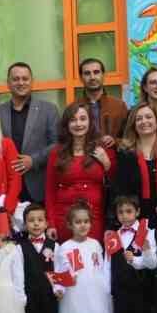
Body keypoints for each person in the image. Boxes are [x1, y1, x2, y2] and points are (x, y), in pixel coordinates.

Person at [53, 202, 115, 313]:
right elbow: (59, 272)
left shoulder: (96, 244)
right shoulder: (64, 247)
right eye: (78, 222)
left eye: (86, 221)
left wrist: (106, 288)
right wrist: (59, 288)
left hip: (95, 290)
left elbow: (102, 267)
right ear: (70, 225)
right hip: (75, 292)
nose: (83, 225)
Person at [45, 102, 112, 241]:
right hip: (64, 219)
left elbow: (114, 187)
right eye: (73, 120)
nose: (78, 124)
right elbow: (50, 190)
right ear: (67, 124)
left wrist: (106, 164)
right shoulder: (56, 152)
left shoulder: (102, 149)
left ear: (90, 122)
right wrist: (51, 223)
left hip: (94, 218)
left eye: (82, 119)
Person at [0, 62, 61, 203]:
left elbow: (58, 143)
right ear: (8, 83)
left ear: (32, 82)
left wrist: (33, 160)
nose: (21, 83)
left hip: (39, 185)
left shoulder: (49, 110)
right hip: (7, 188)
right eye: (16, 79)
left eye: (25, 79)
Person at [16, 202, 63, 313]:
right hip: (30, 296)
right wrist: (21, 296)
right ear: (25, 224)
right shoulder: (20, 247)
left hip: (49, 296)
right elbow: (18, 273)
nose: (36, 224)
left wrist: (59, 288)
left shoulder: (54, 246)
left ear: (46, 223)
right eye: (31, 221)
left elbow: (59, 269)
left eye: (39, 220)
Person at [108, 193, 154, 313]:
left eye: (129, 211)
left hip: (142, 287)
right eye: (121, 212)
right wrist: (108, 289)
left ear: (137, 212)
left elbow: (152, 262)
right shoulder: (113, 236)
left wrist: (136, 259)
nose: (125, 216)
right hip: (120, 288)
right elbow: (107, 264)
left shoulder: (147, 233)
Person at [114, 102, 157, 225]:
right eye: (139, 119)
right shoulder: (125, 154)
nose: (144, 121)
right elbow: (122, 191)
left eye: (148, 117)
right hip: (137, 221)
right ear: (133, 125)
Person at [78, 57, 128, 146]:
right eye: (87, 73)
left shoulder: (119, 106)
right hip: (84, 158)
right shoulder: (74, 108)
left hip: (114, 158)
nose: (92, 77)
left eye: (96, 72)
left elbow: (129, 139)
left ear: (103, 75)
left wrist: (115, 141)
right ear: (81, 78)